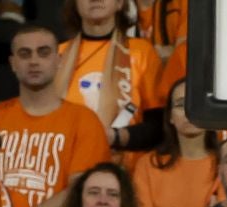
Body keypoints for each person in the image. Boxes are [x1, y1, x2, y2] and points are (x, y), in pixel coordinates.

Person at [0, 24, 114, 207]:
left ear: (59, 60)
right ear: (13, 63)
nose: (34, 61)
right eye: (25, 54)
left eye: (43, 53)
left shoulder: (84, 121)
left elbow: (79, 192)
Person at [55, 0, 165, 153]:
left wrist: (115, 137)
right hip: (64, 161)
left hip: (123, 168)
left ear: (120, 3)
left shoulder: (142, 52)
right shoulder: (56, 55)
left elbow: (158, 126)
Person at [127, 80, 216, 207]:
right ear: (170, 117)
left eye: (196, 104)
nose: (189, 111)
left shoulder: (224, 166)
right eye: (181, 104)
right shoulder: (148, 164)